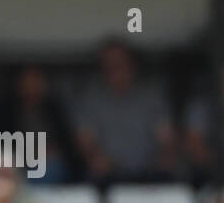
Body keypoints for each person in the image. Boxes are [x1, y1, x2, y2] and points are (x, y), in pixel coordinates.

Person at [76, 40, 178, 184]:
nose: (115, 69)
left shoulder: (151, 95)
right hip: (108, 174)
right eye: (109, 65)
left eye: (119, 63)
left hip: (150, 173)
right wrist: (95, 158)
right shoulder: (92, 99)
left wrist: (164, 158)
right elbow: (85, 141)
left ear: (132, 65)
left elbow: (166, 138)